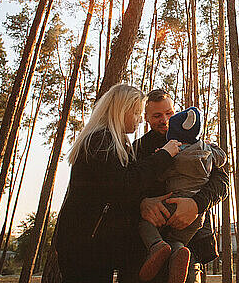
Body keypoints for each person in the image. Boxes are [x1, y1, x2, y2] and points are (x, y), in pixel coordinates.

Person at [53, 84, 182, 283]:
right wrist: (163, 156)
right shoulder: (100, 141)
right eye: (137, 113)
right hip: (84, 246)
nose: (140, 119)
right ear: (122, 111)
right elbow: (124, 184)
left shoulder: (114, 142)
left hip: (94, 245)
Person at [133, 90, 229, 283]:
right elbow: (125, 186)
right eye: (157, 116)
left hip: (190, 243)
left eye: (169, 113)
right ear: (146, 118)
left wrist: (196, 204)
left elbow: (222, 183)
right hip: (147, 247)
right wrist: (142, 203)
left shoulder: (198, 145)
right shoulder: (138, 149)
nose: (165, 120)